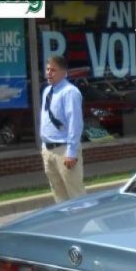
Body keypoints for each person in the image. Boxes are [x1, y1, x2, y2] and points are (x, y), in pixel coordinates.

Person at [40, 55, 84, 203]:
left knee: (75, 194)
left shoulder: (70, 92)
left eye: (53, 70)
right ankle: (67, 225)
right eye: (47, 69)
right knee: (59, 196)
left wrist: (71, 152)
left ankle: (82, 224)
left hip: (64, 150)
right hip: (48, 150)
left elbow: (75, 123)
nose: (49, 73)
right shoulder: (47, 91)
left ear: (64, 72)